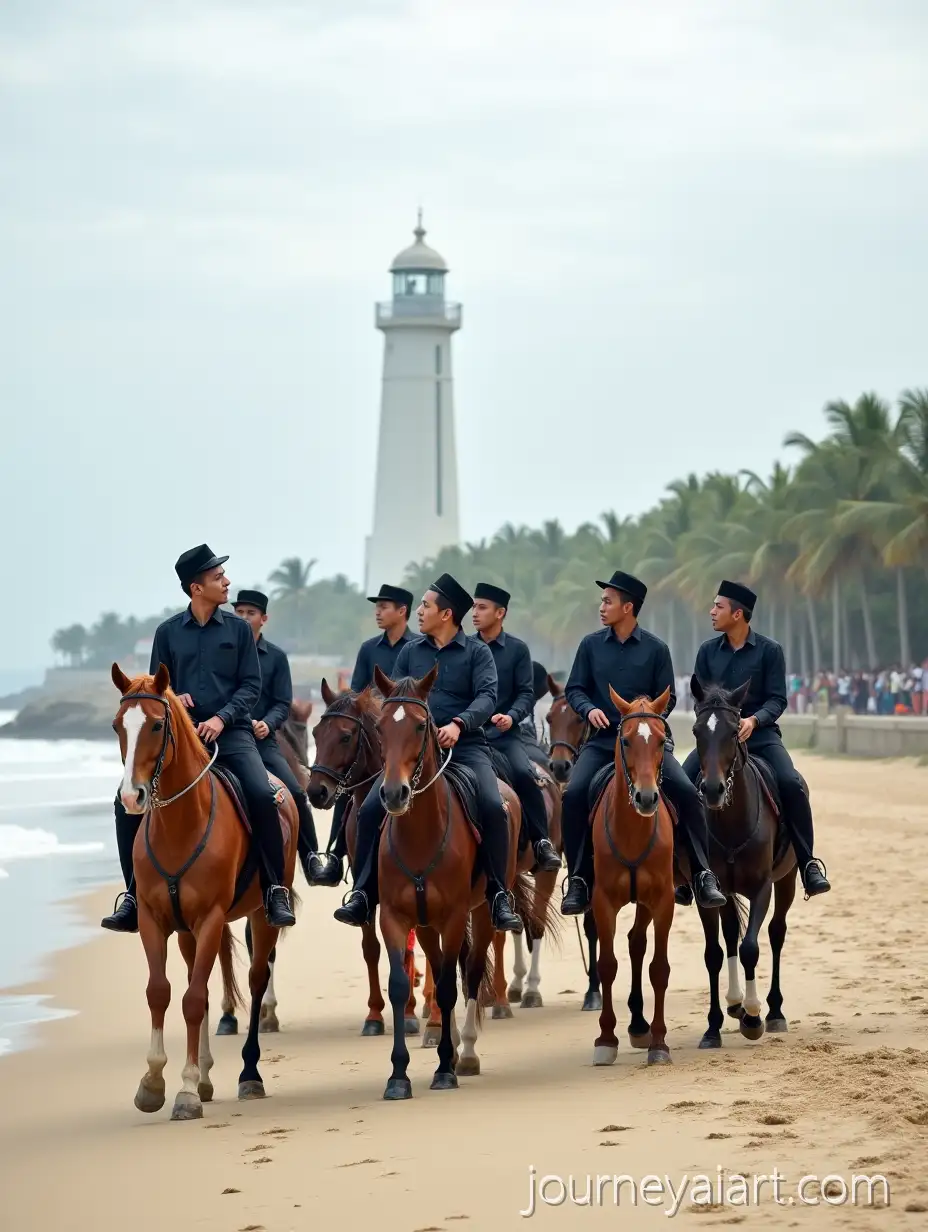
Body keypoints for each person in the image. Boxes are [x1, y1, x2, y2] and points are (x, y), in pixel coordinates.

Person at [101, 545, 297, 933]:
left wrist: (222, 719)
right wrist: (178, 698)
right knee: (124, 804)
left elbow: (251, 686)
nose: (226, 583)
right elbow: (159, 689)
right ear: (196, 588)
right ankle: (131, 893)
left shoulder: (240, 630)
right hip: (181, 736)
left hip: (233, 733)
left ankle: (275, 888)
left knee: (260, 792)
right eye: (217, 577)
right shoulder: (168, 632)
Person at [332, 572, 523, 933]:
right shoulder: (410, 651)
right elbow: (397, 698)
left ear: (447, 614)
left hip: (464, 747)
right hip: (411, 751)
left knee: (494, 806)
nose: (419, 612)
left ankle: (498, 895)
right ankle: (362, 893)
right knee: (370, 808)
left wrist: (459, 724)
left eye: (425, 605)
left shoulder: (478, 652)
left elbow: (487, 698)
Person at [559, 570, 726, 916]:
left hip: (649, 745)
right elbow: (574, 688)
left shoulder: (656, 649)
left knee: (688, 794)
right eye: (602, 601)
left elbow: (670, 698)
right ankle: (578, 879)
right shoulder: (590, 645)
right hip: (604, 741)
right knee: (573, 795)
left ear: (628, 607)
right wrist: (588, 710)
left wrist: (645, 715)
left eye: (608, 601)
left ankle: (700, 872)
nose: (601, 607)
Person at [683, 579, 830, 898]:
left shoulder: (769, 651)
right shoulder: (707, 652)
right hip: (717, 741)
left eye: (718, 607)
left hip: (760, 737)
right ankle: (684, 871)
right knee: (681, 783)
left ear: (737, 614)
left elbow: (778, 699)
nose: (712, 612)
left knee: (792, 783)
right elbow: (700, 699)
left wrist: (754, 719)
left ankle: (807, 864)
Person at [312, 582, 414, 888]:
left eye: (384, 607)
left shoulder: (417, 647)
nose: (378, 613)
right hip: (371, 734)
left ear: (402, 611)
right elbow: (356, 694)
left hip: (405, 736)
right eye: (376, 607)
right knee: (347, 785)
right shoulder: (369, 648)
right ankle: (336, 854)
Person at [230, 589, 325, 886]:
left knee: (297, 793)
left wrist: (267, 725)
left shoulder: (277, 658)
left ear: (264, 619)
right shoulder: (224, 654)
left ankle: (310, 858)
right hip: (227, 736)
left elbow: (283, 703)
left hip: (263, 739)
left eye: (251, 613)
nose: (245, 618)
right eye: (240, 612)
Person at [470, 583, 560, 872]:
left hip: (506, 736)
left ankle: (542, 841)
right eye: (473, 606)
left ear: (500, 613)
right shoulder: (465, 648)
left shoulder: (518, 650)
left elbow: (525, 692)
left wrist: (511, 716)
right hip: (470, 736)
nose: (474, 612)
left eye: (481, 607)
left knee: (524, 773)